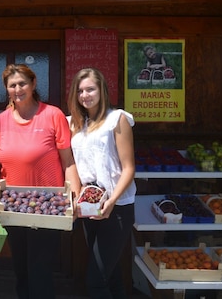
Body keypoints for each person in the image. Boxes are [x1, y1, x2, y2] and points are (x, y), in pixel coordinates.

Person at [0, 64, 76, 299]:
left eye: (22, 83)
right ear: (7, 89)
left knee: (41, 269)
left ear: (34, 84)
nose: (18, 89)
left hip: (49, 206)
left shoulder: (52, 115)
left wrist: (72, 199)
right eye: (12, 85)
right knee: (21, 268)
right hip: (13, 206)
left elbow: (68, 161)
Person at [67, 68, 136, 299]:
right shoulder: (76, 124)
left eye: (90, 89)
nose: (85, 95)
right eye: (80, 91)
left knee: (95, 281)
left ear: (102, 90)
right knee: (112, 274)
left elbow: (129, 168)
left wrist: (112, 200)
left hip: (116, 208)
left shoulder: (117, 119)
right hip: (90, 206)